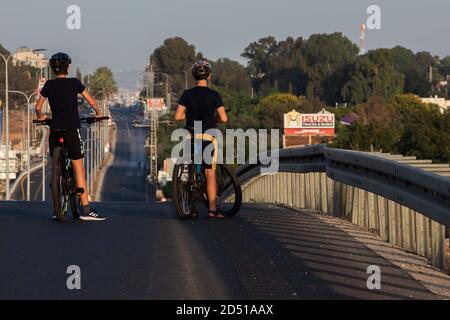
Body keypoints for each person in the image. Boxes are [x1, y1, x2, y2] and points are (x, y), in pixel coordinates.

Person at [35, 52, 106, 221]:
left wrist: (41, 117)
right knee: (78, 168)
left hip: (55, 128)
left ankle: (56, 208)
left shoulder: (49, 85)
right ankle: (86, 210)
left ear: (52, 69)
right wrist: (97, 113)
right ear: (68, 67)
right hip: (71, 128)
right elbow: (92, 102)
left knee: (56, 165)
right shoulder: (74, 83)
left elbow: (38, 107)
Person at [175, 60, 228, 219]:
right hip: (208, 137)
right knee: (209, 172)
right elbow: (224, 119)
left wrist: (188, 115)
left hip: (192, 136)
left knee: (192, 166)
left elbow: (178, 116)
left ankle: (192, 206)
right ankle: (212, 210)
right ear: (209, 76)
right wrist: (214, 120)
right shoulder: (214, 95)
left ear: (194, 77)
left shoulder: (187, 94)